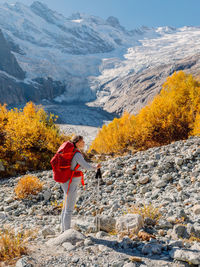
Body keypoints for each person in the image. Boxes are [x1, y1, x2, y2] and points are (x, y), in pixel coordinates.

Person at [60, 135, 101, 232]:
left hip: (65, 181)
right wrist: (96, 167)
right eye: (82, 142)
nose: (84, 143)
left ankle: (63, 230)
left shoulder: (71, 152)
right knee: (69, 209)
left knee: (65, 207)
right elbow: (86, 166)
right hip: (71, 182)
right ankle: (66, 233)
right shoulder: (77, 154)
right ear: (77, 142)